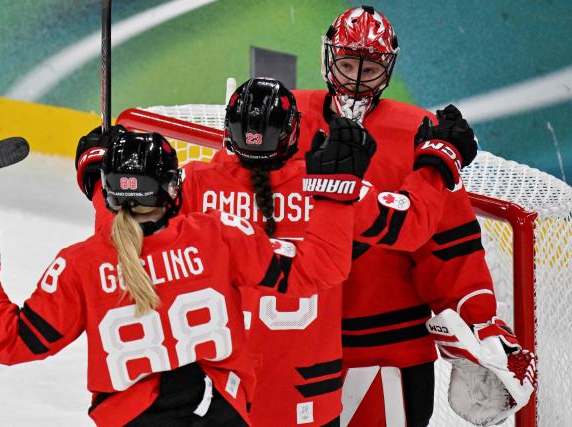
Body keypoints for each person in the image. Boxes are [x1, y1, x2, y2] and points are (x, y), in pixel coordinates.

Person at [74, 76, 479, 426]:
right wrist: (437, 163)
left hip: (222, 399)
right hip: (307, 397)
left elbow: (124, 236)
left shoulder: (196, 186)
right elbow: (410, 227)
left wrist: (99, 176)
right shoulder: (329, 188)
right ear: (293, 132)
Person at [0, 131, 358, 427]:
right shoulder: (218, 236)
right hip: (220, 415)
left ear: (107, 194)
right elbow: (319, 267)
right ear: (173, 189)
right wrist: (336, 196)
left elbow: (6, 341)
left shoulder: (81, 266)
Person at [290, 5, 535, 426]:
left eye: (369, 69)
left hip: (388, 352)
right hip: (294, 347)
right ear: (329, 59)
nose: (355, 78)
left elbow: (449, 244)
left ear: (387, 70)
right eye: (348, 63)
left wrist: (478, 318)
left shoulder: (417, 130)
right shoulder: (289, 117)